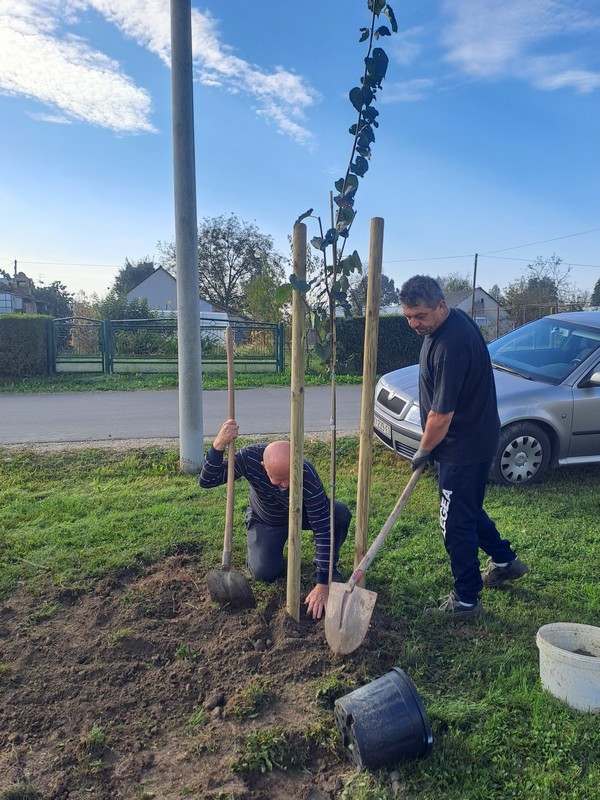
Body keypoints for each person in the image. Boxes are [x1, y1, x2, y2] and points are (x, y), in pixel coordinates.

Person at [398, 275, 528, 618]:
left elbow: (440, 416)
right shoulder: (447, 323)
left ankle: (467, 599)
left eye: (420, 316)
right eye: (408, 316)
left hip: (463, 446)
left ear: (441, 306)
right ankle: (506, 561)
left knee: (454, 522)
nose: (414, 324)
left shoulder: (451, 345)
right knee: (465, 508)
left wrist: (424, 450)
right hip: (471, 438)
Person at [199, 419, 351, 620]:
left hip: (302, 515)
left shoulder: (307, 476)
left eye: (289, 478)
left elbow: (323, 528)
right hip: (266, 519)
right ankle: (263, 552)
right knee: (265, 573)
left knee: (338, 514)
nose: (285, 485)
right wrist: (218, 445)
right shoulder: (249, 459)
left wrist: (323, 583)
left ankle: (329, 567)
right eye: (277, 480)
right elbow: (207, 480)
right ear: (263, 466)